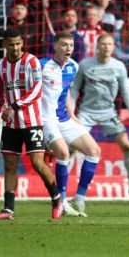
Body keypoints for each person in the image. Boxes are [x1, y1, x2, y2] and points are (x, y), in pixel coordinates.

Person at [70, 33, 129, 201]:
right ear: (97, 46)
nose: (106, 47)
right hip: (86, 113)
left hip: (109, 113)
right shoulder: (85, 65)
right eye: (103, 44)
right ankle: (61, 191)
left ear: (114, 47)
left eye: (110, 44)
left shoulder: (119, 66)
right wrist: (71, 113)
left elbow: (126, 92)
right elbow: (74, 89)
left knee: (127, 147)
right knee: (71, 149)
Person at [0, 29, 63, 221]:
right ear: (4, 46)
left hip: (32, 121)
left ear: (22, 43)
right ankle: (8, 209)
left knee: (37, 163)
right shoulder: (1, 66)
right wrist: (2, 109)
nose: (16, 48)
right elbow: (1, 93)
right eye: (11, 44)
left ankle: (56, 198)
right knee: (10, 165)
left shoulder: (31, 62)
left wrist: (14, 107)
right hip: (11, 125)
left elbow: (36, 90)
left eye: (18, 43)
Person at [40, 32, 101, 217]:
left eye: (71, 45)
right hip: (45, 119)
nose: (68, 49)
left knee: (94, 151)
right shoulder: (41, 65)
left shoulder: (73, 67)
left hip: (64, 118)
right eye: (64, 45)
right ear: (56, 46)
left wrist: (72, 113)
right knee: (63, 153)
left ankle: (80, 198)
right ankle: (63, 201)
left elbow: (65, 91)